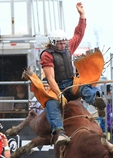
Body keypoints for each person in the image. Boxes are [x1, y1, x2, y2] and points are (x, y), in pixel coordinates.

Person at [40, 2, 106, 148]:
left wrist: (82, 15)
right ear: (53, 43)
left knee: (83, 86)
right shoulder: (46, 55)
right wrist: (59, 95)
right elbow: (50, 78)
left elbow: (78, 34)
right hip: (56, 86)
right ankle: (59, 132)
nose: (63, 45)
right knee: (51, 104)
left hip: (70, 83)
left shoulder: (68, 46)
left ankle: (96, 100)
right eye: (60, 43)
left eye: (64, 42)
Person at [26, 83, 53, 158]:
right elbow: (31, 114)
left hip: (49, 129)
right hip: (37, 129)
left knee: (48, 154)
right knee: (35, 153)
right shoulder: (35, 99)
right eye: (44, 86)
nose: (46, 88)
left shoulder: (53, 97)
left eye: (47, 86)